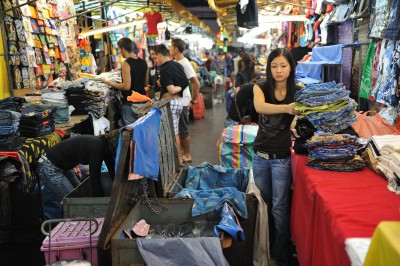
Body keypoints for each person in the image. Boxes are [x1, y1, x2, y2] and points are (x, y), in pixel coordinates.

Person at [252, 48, 300, 266]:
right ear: (269, 68)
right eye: (274, 66)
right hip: (259, 156)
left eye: (283, 65)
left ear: (291, 67)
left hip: (281, 158)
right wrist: (288, 109)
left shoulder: (298, 91)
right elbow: (259, 107)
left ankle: (281, 252)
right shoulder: (260, 86)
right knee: (263, 203)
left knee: (280, 206)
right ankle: (265, 245)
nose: (278, 70)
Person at [35, 131, 119, 218]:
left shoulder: (105, 147)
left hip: (62, 166)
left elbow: (113, 172)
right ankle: (73, 228)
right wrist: (100, 208)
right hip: (49, 167)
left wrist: (118, 190)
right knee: (74, 203)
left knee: (81, 197)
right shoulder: (97, 147)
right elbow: (95, 180)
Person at [154, 44, 189, 165]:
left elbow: (171, 90)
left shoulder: (164, 69)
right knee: (176, 131)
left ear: (159, 54)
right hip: (179, 102)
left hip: (171, 103)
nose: (155, 60)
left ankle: (178, 159)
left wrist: (174, 89)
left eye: (155, 57)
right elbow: (186, 81)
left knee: (174, 133)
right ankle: (177, 158)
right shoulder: (178, 65)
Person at [102, 38, 148, 126]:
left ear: (123, 49)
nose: (119, 52)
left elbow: (126, 86)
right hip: (143, 103)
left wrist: (111, 83)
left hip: (130, 104)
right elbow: (145, 83)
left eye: (119, 49)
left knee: (131, 134)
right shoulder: (143, 62)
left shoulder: (126, 63)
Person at [169, 38, 200, 163]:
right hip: (180, 100)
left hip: (184, 101)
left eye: (171, 47)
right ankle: (182, 152)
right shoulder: (177, 62)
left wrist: (193, 101)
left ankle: (187, 154)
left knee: (183, 130)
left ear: (176, 49)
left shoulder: (185, 63)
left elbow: (196, 83)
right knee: (179, 130)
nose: (169, 49)